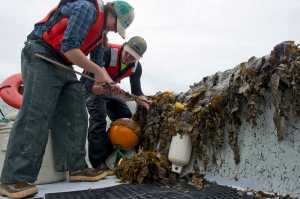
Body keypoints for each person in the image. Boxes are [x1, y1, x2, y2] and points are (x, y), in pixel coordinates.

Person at [0, 0, 134, 198]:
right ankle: (12, 178)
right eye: (116, 24)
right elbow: (69, 47)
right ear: (110, 11)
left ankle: (76, 167)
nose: (114, 30)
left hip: (64, 65)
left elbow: (92, 86)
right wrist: (99, 71)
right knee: (37, 113)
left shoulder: (100, 39)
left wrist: (109, 88)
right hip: (41, 54)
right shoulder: (86, 8)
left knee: (78, 112)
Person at [80, 36, 151, 169]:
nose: (128, 57)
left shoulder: (136, 68)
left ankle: (106, 153)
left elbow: (137, 91)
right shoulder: (107, 51)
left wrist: (143, 100)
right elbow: (94, 74)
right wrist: (104, 85)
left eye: (133, 56)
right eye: (127, 52)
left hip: (110, 92)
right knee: (99, 118)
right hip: (91, 86)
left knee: (126, 118)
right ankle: (97, 164)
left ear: (138, 58)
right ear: (124, 46)